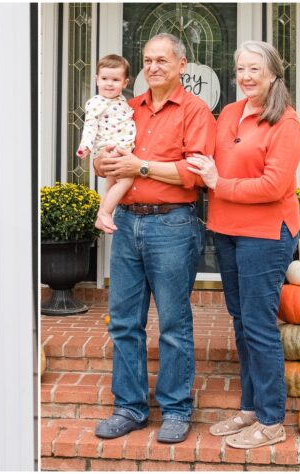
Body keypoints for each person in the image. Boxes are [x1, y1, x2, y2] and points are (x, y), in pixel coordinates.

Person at [91, 33, 216, 444]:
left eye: (162, 60)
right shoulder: (128, 108)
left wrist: (140, 166)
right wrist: (100, 160)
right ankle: (129, 407)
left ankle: (177, 410)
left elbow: (195, 174)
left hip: (172, 225)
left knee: (174, 323)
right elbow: (106, 157)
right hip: (127, 222)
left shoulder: (196, 111)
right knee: (125, 321)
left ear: (182, 65)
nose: (153, 67)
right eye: (147, 60)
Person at [185, 41, 300, 449]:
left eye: (255, 69)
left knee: (258, 325)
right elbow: (212, 163)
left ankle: (271, 420)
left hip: (267, 233)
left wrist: (220, 183)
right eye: (241, 69)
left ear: (272, 73)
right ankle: (251, 407)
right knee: (241, 321)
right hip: (227, 229)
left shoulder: (285, 122)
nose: (246, 76)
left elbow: (274, 185)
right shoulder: (230, 113)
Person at [76, 54, 137, 233]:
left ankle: (101, 216)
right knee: (126, 180)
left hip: (121, 147)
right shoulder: (96, 103)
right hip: (111, 148)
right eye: (104, 79)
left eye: (115, 80)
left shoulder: (121, 100)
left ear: (125, 83)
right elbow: (90, 126)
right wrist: (85, 146)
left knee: (111, 184)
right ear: (96, 80)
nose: (109, 84)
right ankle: (105, 212)